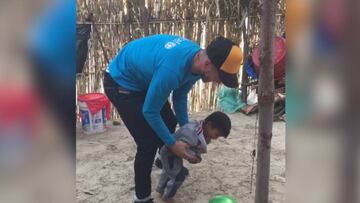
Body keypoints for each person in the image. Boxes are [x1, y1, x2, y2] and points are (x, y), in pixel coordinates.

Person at [103, 34, 242, 203]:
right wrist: (172, 144)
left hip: (145, 78)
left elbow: (180, 96)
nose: (218, 83)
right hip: (121, 82)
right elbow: (150, 112)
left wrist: (188, 131)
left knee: (169, 121)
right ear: (207, 64)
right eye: (220, 77)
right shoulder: (172, 70)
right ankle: (142, 198)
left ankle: (165, 159)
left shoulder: (196, 63)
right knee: (147, 142)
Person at [156, 111, 231, 203]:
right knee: (179, 175)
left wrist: (196, 156)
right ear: (209, 125)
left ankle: (160, 189)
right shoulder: (191, 133)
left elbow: (195, 148)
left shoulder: (205, 134)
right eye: (216, 135)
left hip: (176, 154)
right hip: (169, 152)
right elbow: (181, 148)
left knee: (172, 170)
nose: (215, 138)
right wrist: (190, 157)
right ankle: (167, 197)